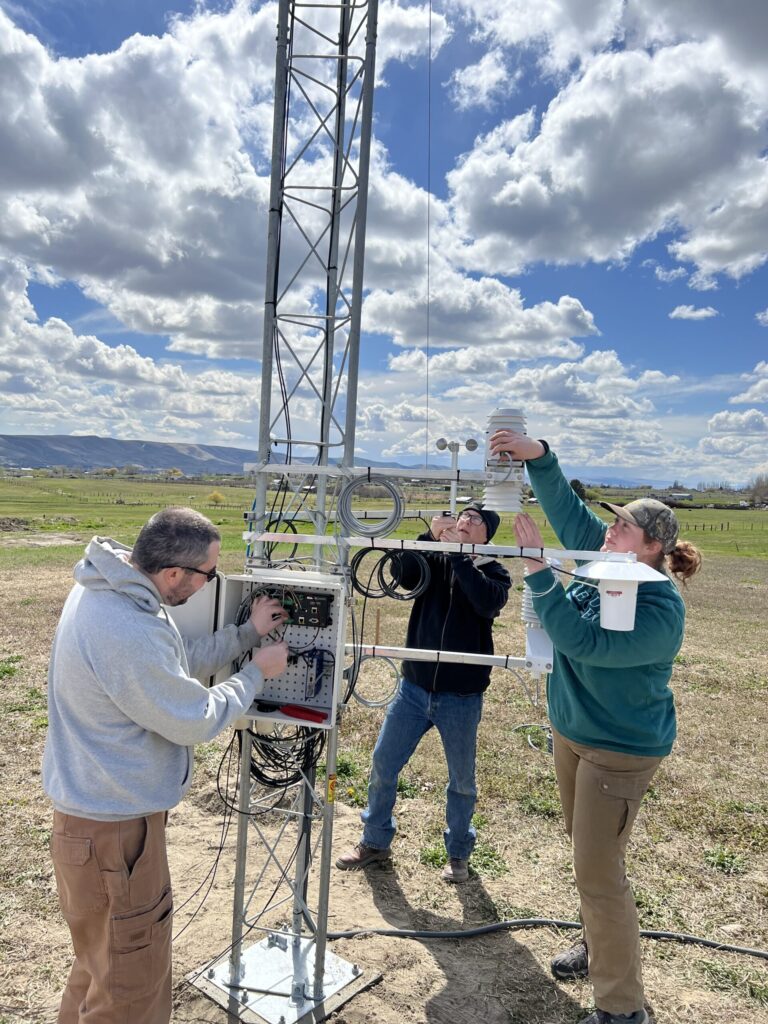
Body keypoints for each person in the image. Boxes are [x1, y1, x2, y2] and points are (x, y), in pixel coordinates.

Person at [42, 506, 289, 1024]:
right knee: (131, 991)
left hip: (89, 824)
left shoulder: (105, 591)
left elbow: (165, 671)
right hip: (116, 838)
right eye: (209, 574)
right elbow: (193, 717)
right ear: (175, 573)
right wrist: (256, 676)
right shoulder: (127, 625)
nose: (209, 585)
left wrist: (245, 635)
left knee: (97, 971)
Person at [489, 431, 702, 1024]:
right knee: (591, 860)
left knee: (599, 873)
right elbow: (570, 512)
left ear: (651, 547)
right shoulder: (608, 558)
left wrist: (538, 576)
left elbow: (582, 641)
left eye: (623, 528)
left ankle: (621, 1007)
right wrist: (541, 458)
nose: (608, 532)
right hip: (574, 734)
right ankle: (598, 944)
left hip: (619, 752)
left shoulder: (661, 611)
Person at [336, 502, 511, 883]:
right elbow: (403, 573)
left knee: (461, 780)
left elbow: (486, 602)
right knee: (384, 762)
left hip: (461, 696)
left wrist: (460, 559)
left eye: (475, 519)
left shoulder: (495, 571)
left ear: (487, 534)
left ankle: (458, 854)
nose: (464, 520)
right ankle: (375, 842)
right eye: (462, 515)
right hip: (414, 689)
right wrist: (429, 540)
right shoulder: (435, 558)